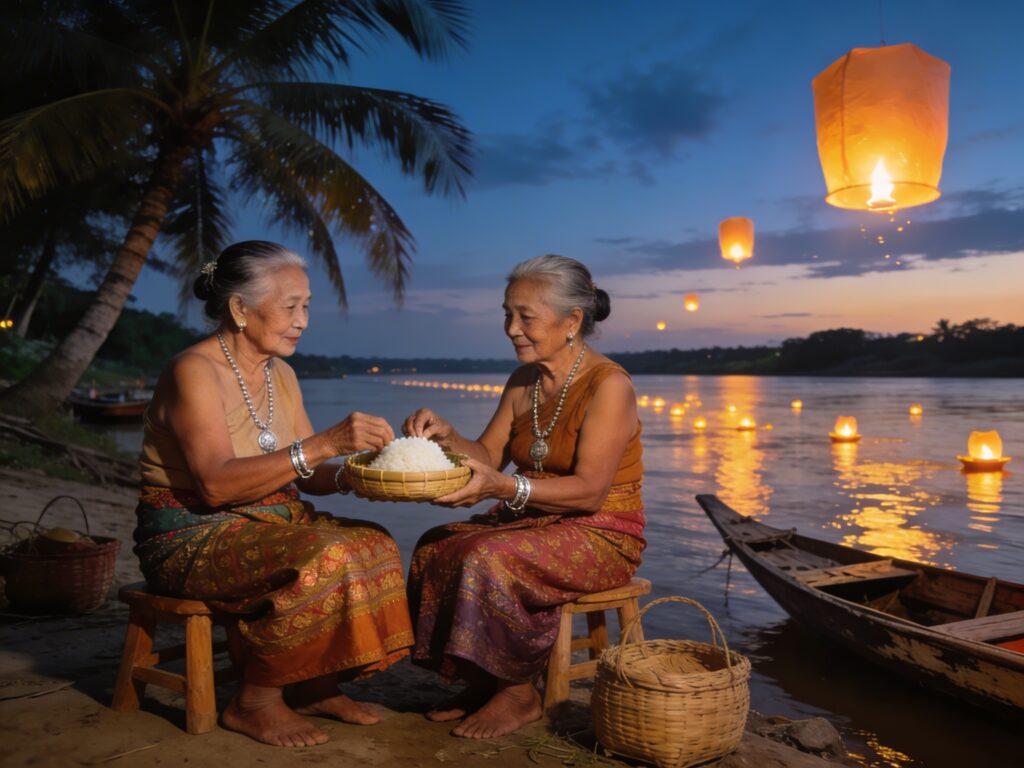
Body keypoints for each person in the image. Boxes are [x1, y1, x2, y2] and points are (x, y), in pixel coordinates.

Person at [133, 241, 413, 748]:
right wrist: (326, 441)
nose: (302, 320)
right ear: (240, 309)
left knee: (374, 542)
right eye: (290, 307)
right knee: (324, 556)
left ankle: (316, 686)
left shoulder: (280, 373)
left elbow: (305, 475)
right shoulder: (193, 370)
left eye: (306, 306)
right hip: (190, 533)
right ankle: (255, 700)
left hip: (273, 519)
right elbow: (215, 485)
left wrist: (363, 474)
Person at [402, 254, 645, 739]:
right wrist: (446, 438)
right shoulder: (523, 382)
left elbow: (590, 491)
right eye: (507, 314)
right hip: (534, 519)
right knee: (435, 543)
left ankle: (517, 693)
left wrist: (503, 487)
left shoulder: (609, 385)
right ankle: (480, 680)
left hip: (603, 532)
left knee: (488, 557)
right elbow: (488, 455)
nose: (511, 328)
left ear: (572, 320)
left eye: (525, 316)